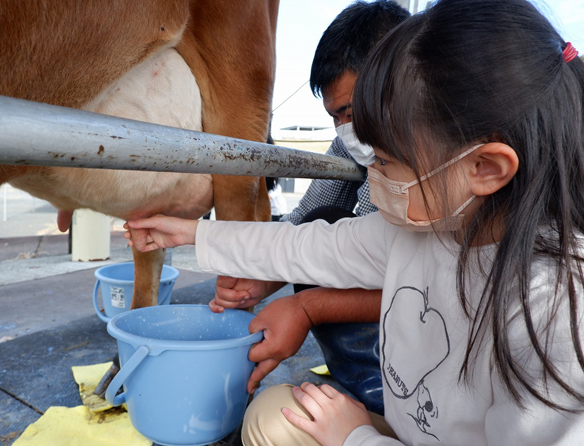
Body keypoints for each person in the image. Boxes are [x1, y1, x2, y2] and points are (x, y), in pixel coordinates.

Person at [124, 0, 584, 444]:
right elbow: (309, 244)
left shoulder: (553, 310)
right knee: (274, 417)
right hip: (409, 432)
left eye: (384, 160)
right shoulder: (429, 225)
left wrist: (356, 437)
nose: (371, 173)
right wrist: (190, 232)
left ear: (484, 168)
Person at [208, 0, 411, 416]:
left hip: (445, 331)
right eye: (335, 117)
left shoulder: (447, 161)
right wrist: (263, 280)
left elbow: (428, 278)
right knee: (324, 222)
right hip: (402, 291)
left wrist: (307, 307)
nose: (345, 130)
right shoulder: (355, 144)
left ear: (401, 76)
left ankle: (387, 407)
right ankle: (366, 389)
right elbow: (309, 229)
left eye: (350, 112)